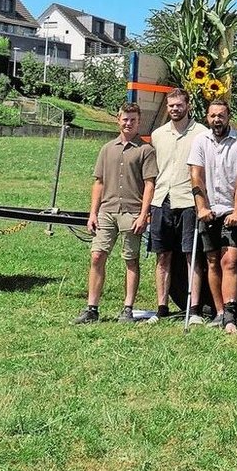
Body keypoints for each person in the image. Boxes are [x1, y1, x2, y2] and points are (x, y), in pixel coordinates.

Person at [75, 103, 157, 324]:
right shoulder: (107, 149)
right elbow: (98, 183)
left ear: (138, 122)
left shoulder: (145, 150)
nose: (128, 123)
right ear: (118, 120)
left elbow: (150, 184)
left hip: (132, 212)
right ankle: (92, 308)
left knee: (131, 259)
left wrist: (143, 214)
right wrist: (93, 213)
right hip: (107, 211)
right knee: (97, 255)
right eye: (125, 119)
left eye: (132, 119)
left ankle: (128, 308)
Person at [187, 98, 237, 334]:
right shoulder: (200, 141)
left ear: (229, 117)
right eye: (213, 115)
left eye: (221, 116)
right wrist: (201, 207)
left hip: (230, 209)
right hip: (208, 209)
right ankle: (218, 312)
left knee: (231, 261)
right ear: (207, 117)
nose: (217, 120)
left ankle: (230, 312)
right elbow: (196, 176)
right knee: (213, 261)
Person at [148, 88, 208, 322]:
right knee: (162, 256)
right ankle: (161, 307)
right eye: (171, 105)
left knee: (191, 256)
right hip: (162, 200)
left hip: (188, 202)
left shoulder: (201, 133)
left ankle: (194, 309)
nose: (175, 109)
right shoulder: (158, 134)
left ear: (187, 105)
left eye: (179, 105)